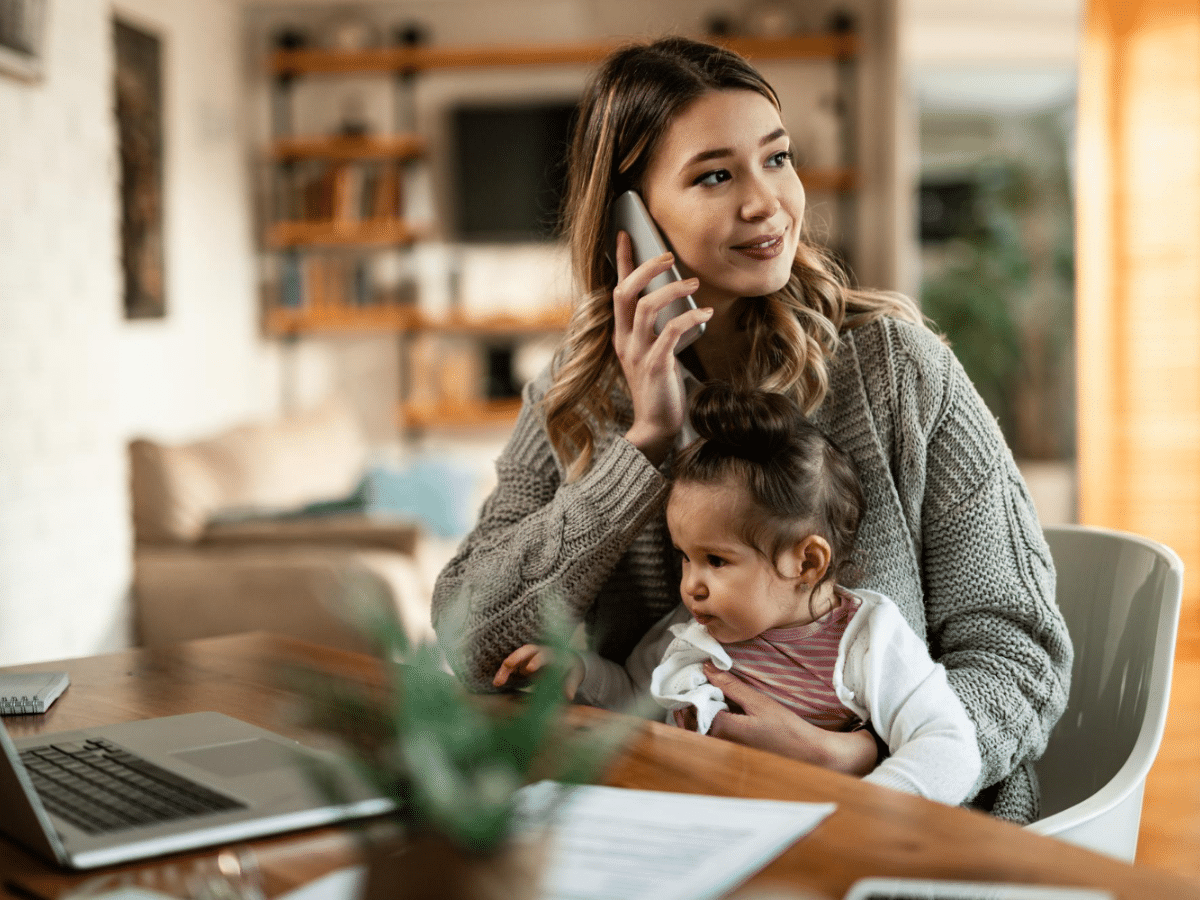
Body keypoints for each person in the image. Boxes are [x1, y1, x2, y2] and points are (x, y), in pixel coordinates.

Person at [432, 35, 1072, 822]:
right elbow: (474, 642)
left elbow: (1019, 653)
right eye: (714, 175)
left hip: (906, 828)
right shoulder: (576, 396)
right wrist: (646, 446)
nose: (767, 201)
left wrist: (864, 757)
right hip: (668, 817)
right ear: (631, 222)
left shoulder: (895, 368)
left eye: (777, 158)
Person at [493, 385, 983, 806]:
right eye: (685, 556)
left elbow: (949, 744)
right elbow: (634, 698)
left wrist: (870, 808)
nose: (691, 584)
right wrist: (580, 673)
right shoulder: (695, 630)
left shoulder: (868, 640)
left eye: (717, 561)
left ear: (806, 562)